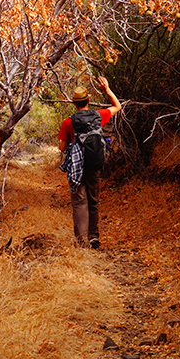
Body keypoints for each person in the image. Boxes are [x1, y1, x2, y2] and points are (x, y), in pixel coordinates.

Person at [58, 77, 122, 248]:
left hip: (76, 168)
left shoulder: (68, 122)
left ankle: (81, 241)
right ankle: (94, 236)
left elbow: (62, 148)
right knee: (93, 201)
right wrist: (107, 89)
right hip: (94, 165)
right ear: (88, 100)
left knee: (79, 202)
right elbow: (118, 106)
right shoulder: (98, 116)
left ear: (74, 103)